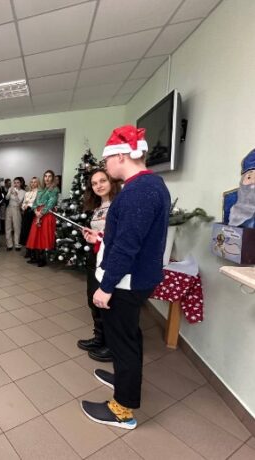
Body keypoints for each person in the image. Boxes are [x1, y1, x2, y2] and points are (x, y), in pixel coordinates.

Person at [81, 125, 170, 431]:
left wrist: (106, 287)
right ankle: (123, 379)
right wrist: (101, 237)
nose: (105, 166)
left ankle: (122, 409)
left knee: (123, 340)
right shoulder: (148, 184)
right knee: (127, 336)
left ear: (120, 156)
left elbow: (128, 245)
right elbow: (126, 236)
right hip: (132, 279)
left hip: (124, 282)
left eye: (107, 160)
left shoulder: (139, 191)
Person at [78, 169, 121, 363]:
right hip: (95, 256)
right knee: (93, 298)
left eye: (102, 181)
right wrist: (92, 236)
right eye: (94, 183)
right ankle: (99, 338)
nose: (98, 186)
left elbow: (118, 236)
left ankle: (111, 346)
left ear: (112, 181)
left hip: (110, 259)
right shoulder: (98, 206)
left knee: (107, 301)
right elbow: (101, 234)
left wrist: (100, 237)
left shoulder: (118, 204)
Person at [26, 170, 59, 267]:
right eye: (45, 176)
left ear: (52, 178)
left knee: (44, 236)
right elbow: (35, 202)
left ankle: (43, 259)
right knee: (35, 236)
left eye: (49, 176)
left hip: (47, 215)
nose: (47, 178)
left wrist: (41, 213)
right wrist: (35, 211)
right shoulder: (41, 189)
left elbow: (51, 203)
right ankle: (36, 257)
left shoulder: (54, 189)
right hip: (38, 214)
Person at [5, 177, 26, 251]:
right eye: (15, 182)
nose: (16, 184)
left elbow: (20, 202)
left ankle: (17, 244)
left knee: (17, 227)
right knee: (8, 227)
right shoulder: (11, 189)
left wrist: (16, 195)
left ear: (21, 183)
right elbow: (6, 198)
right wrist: (9, 192)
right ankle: (9, 245)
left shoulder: (23, 192)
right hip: (9, 208)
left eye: (18, 182)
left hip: (16, 209)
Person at [20, 177, 40, 257]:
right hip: (26, 214)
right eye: (32, 182)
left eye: (35, 182)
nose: (33, 183)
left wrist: (29, 205)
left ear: (38, 183)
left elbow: (38, 204)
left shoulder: (39, 192)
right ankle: (28, 250)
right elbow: (23, 203)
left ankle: (33, 252)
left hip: (33, 213)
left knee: (33, 233)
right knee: (26, 232)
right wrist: (24, 206)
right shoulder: (27, 193)